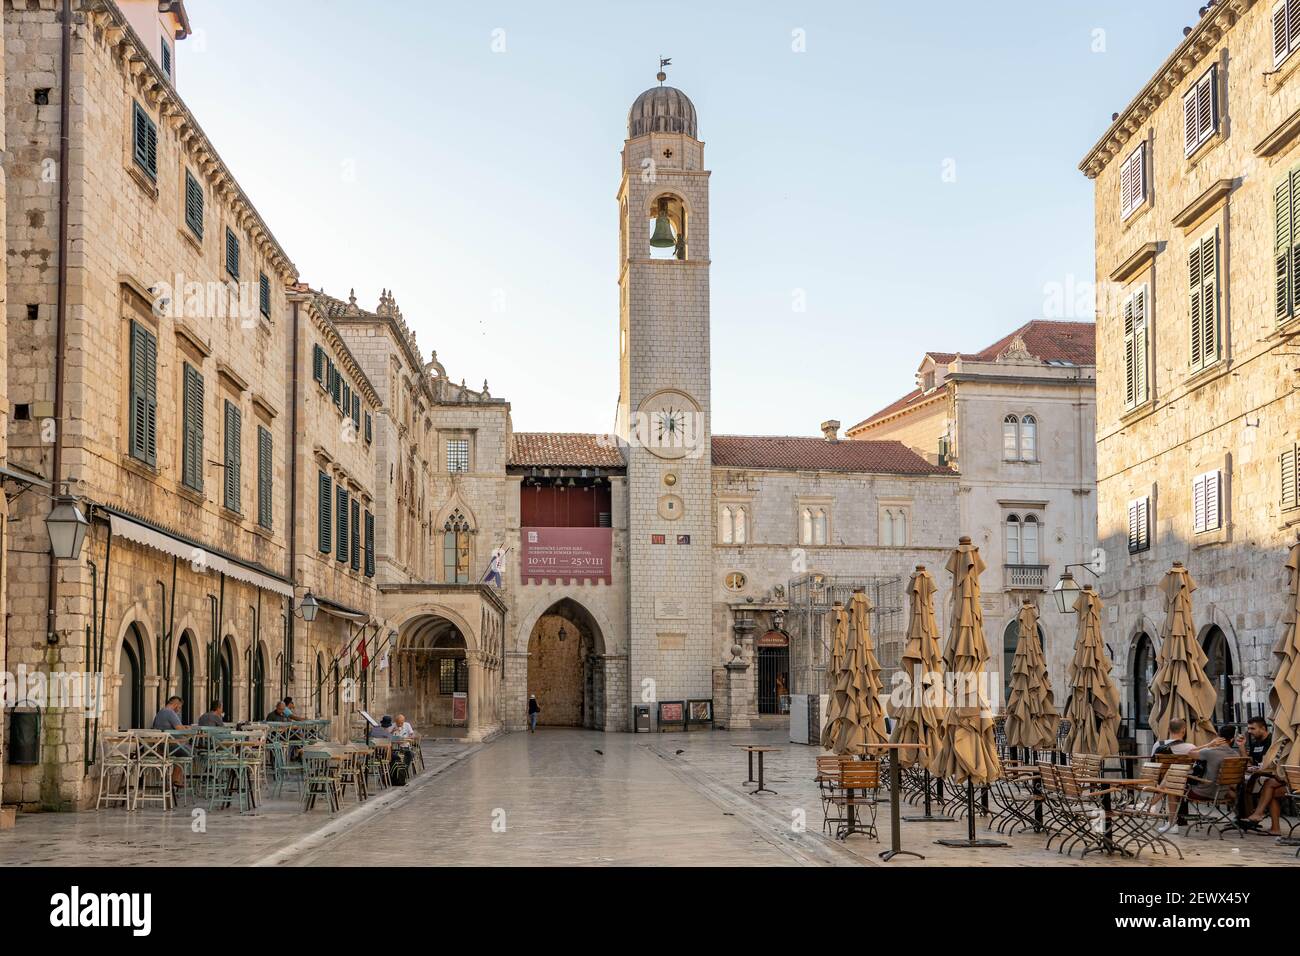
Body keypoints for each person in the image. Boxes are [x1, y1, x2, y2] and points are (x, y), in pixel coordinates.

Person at [1239, 716, 1285, 835]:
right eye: (1249, 728)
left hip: (1271, 777)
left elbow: (1274, 764)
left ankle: (1254, 815)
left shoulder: (1272, 742)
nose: (1249, 731)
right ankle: (1272, 827)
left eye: (1252, 728)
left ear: (1263, 728)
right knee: (1241, 785)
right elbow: (1249, 763)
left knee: (1251, 786)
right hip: (1261, 777)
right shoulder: (1255, 744)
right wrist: (1242, 747)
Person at [149, 696, 188, 789]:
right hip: (168, 745)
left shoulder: (160, 712)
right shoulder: (170, 712)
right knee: (187, 751)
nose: (179, 710)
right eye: (179, 707)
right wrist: (188, 729)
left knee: (184, 748)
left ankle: (175, 780)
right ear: (176, 704)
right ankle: (175, 779)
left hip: (159, 747)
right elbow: (180, 729)